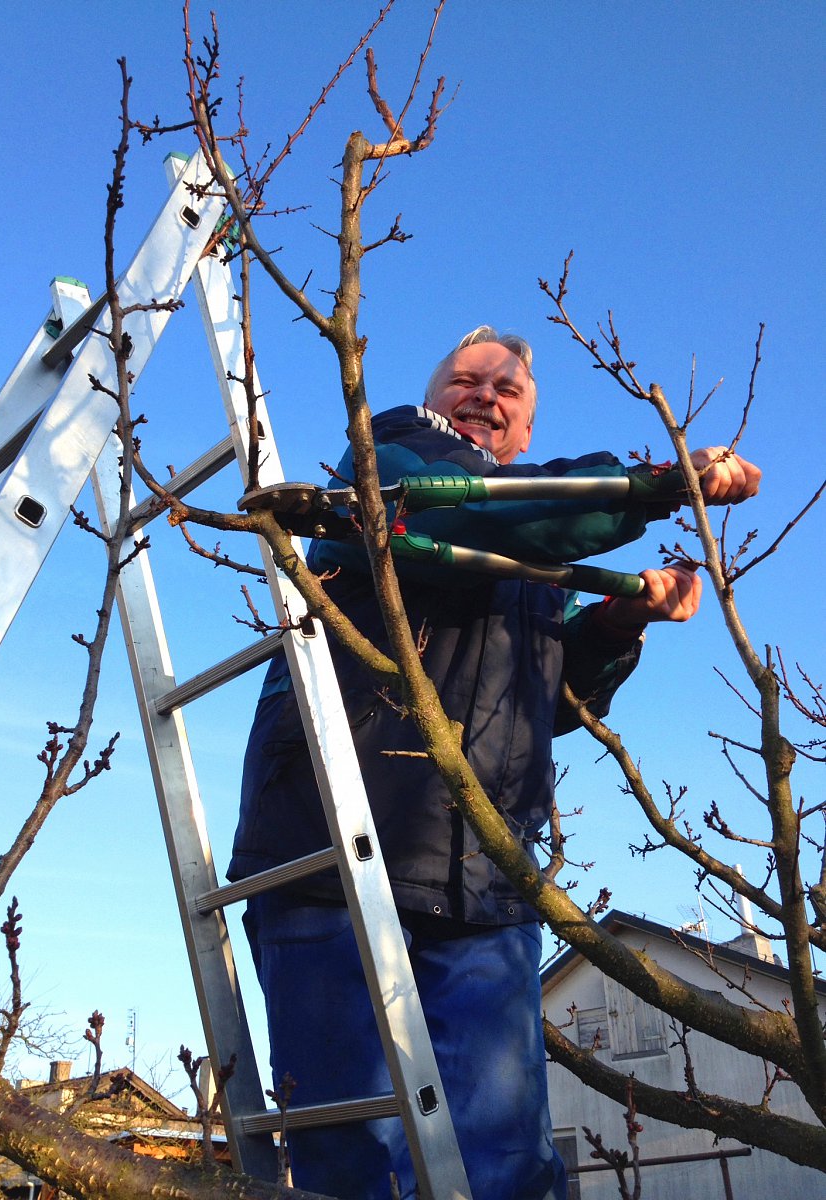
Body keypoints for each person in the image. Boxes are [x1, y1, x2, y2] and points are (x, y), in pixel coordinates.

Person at [228, 327, 761, 1200]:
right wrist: (660, 485)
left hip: (486, 873)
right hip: (338, 853)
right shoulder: (388, 460)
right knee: (359, 1156)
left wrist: (616, 627)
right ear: (434, 395)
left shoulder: (538, 551)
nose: (487, 395)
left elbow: (542, 709)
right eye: (468, 379)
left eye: (508, 390)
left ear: (523, 427)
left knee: (509, 1161)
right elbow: (479, 507)